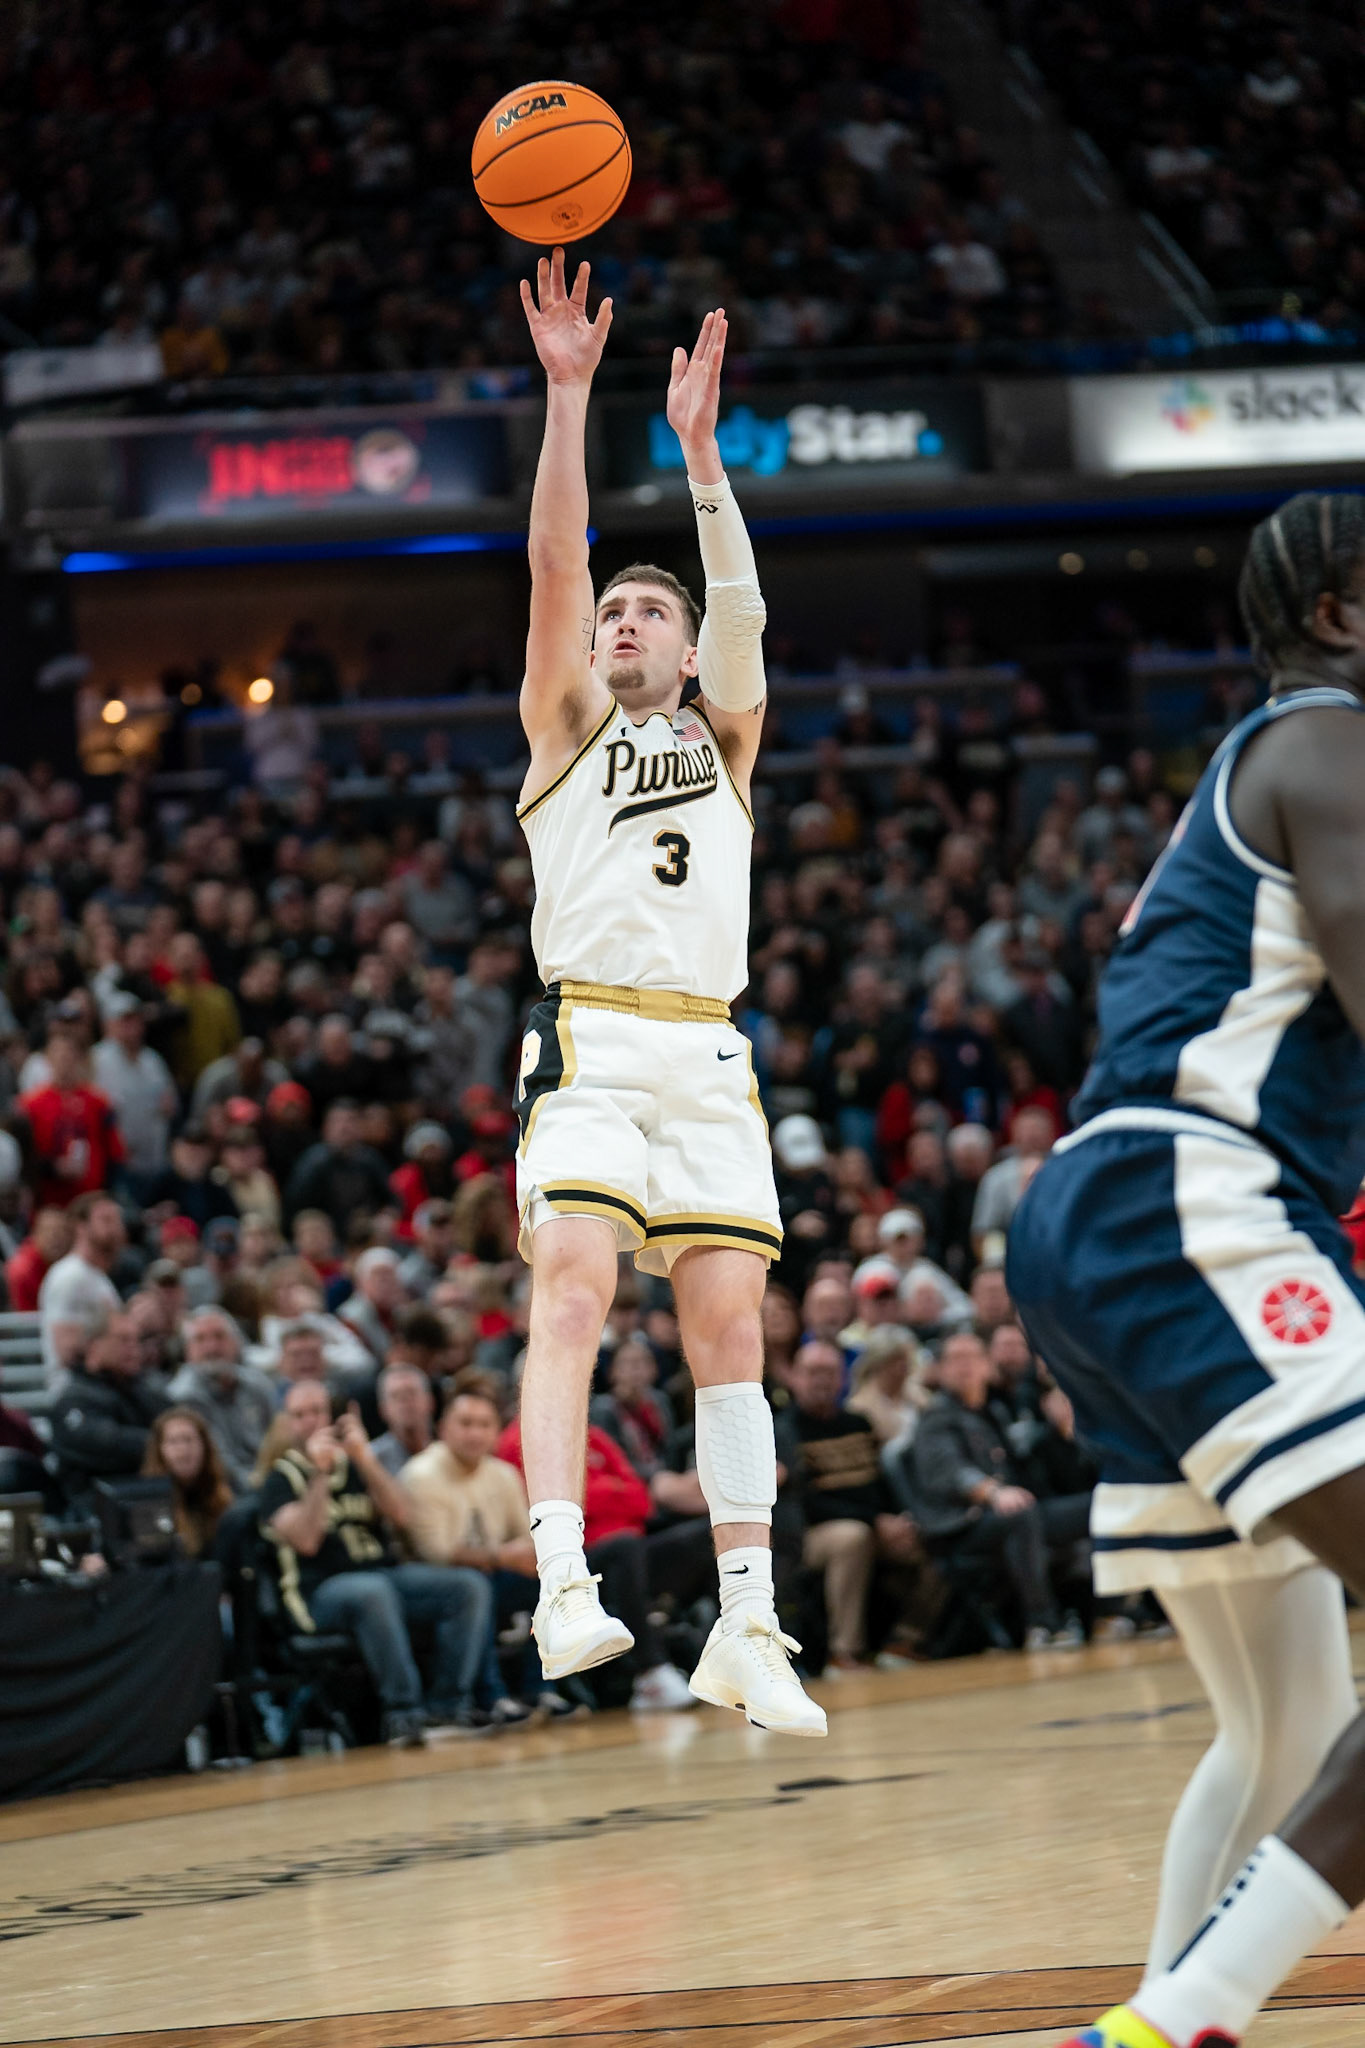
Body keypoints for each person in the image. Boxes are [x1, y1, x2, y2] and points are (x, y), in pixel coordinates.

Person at [1010, 495, 1365, 2048]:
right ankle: (1186, 2018)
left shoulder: (1273, 757)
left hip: (1112, 1208)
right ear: (1340, 614)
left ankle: (1159, 2026)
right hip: (1187, 1197)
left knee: (1285, 1726)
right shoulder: (1329, 741)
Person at [509, 253, 821, 1733]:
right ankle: (564, 1580)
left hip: (709, 1059)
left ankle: (749, 1626)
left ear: (688, 655)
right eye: (616, 613)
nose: (623, 619)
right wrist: (570, 397)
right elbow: (556, 563)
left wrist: (704, 462)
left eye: (652, 613)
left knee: (729, 1336)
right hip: (588, 1039)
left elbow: (748, 612)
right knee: (568, 1289)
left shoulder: (728, 743)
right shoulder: (565, 725)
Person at [258, 1377, 491, 1746]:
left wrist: (364, 1457)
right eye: (299, 1415)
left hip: (379, 1575)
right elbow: (305, 1539)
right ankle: (404, 1715)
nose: (311, 1421)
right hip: (316, 1595)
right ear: (287, 1423)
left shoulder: (355, 1466)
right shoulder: (280, 1479)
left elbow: (401, 1515)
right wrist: (319, 1473)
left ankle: (449, 1706)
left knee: (466, 1586)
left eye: (317, 1411)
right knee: (374, 1591)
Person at [402, 1377, 576, 1721]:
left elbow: (527, 1535)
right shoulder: (421, 1474)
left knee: (550, 1582)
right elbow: (434, 1552)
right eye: (465, 1424)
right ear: (443, 1428)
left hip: (493, 1573)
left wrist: (524, 1558)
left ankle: (541, 1689)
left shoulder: (504, 1475)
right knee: (473, 1589)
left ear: (497, 1431)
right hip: (437, 1583)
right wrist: (502, 1556)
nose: (475, 1433)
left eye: (484, 1425)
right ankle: (491, 1697)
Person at [908, 1331, 1085, 1650]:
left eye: (972, 1357)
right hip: (961, 1525)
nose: (965, 1366)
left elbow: (1026, 1469)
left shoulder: (993, 1410)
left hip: (1010, 1514)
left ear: (987, 1365)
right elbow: (947, 1471)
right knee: (1021, 1514)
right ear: (942, 1369)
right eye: (955, 1359)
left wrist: (1061, 1433)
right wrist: (992, 1492)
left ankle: (1116, 1613)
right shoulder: (937, 1415)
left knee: (1094, 1506)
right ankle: (1043, 1624)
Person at [776, 1338, 918, 1671]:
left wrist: (898, 1518)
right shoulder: (783, 1430)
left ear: (843, 1379)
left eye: (830, 1372)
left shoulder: (858, 1422)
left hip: (873, 1524)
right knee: (851, 1538)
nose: (822, 1380)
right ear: (794, 1378)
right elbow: (804, 1499)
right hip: (807, 1535)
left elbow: (878, 1483)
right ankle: (844, 1653)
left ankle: (906, 1640)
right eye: (813, 1372)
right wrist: (874, 1520)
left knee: (930, 1536)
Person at [50, 1310, 168, 1512]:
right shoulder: (73, 1399)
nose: (134, 1348)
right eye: (124, 1339)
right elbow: (106, 1444)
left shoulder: (144, 1390)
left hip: (152, 1498)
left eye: (136, 1340)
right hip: (96, 1509)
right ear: (93, 1346)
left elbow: (181, 1423)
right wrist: (166, 1444)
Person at [167, 1304, 275, 1494]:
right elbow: (218, 1462)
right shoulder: (183, 1397)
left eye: (219, 1336)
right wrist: (264, 1488)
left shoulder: (257, 1384)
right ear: (187, 1350)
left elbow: (279, 1436)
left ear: (236, 1342)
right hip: (222, 1492)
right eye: (200, 1339)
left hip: (268, 1481)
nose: (212, 1347)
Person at [38, 1189, 125, 1386]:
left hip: (103, 1385)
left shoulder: (97, 1276)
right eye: (106, 1220)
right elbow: (66, 1350)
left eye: (117, 1220)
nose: (116, 1229)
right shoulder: (71, 1276)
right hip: (77, 1390)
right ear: (81, 1227)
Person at [142, 1405, 232, 1557]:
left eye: (189, 1440)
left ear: (205, 1446)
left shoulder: (222, 1494)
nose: (183, 1449)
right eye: (173, 1441)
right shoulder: (148, 1503)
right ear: (159, 1449)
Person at [369, 1358, 435, 1475]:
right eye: (396, 1396)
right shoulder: (371, 1459)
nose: (405, 1401)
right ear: (382, 1409)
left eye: (411, 1393)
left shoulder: (450, 1451)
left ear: (430, 1401)